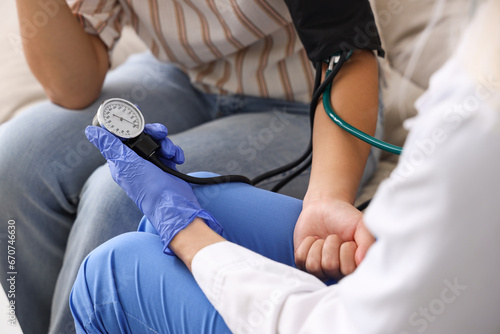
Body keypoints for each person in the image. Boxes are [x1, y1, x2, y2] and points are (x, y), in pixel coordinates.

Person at [70, 0, 500, 332]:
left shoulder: (480, 133)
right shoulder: (474, 93)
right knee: (200, 195)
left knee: (109, 272)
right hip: (402, 274)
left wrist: (187, 233)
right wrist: (344, 210)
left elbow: (329, 324)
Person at [0, 0, 384, 333]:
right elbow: (73, 85)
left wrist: (326, 198)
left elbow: (345, 47)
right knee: (14, 161)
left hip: (306, 101)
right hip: (184, 75)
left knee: (118, 193)